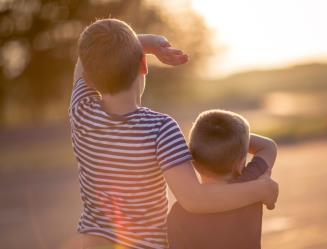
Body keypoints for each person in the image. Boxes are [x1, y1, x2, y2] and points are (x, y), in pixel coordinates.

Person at [69, 18, 278, 249]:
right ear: (143, 65)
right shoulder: (160, 129)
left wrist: (142, 44)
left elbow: (83, 63)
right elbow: (194, 200)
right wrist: (261, 189)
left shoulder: (81, 111)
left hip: (91, 243)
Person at [167, 110, 277, 249]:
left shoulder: (180, 211)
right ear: (239, 164)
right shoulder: (250, 185)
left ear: (193, 161)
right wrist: (237, 141)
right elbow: (268, 146)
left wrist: (205, 143)